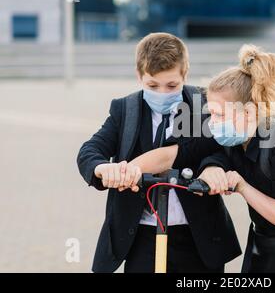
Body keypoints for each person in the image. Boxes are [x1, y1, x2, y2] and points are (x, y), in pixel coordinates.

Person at [134, 43, 275, 273]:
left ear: (248, 112)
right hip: (268, 243)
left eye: (219, 114)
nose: (212, 122)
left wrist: (242, 187)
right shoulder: (234, 137)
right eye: (211, 113)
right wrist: (127, 171)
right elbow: (177, 154)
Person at [76, 32, 241, 273]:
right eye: (152, 85)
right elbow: (90, 151)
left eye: (172, 85)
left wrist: (213, 167)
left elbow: (223, 147)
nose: (163, 93)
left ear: (185, 73)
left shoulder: (206, 105)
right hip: (142, 236)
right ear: (139, 76)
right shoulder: (124, 110)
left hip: (197, 238)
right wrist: (104, 168)